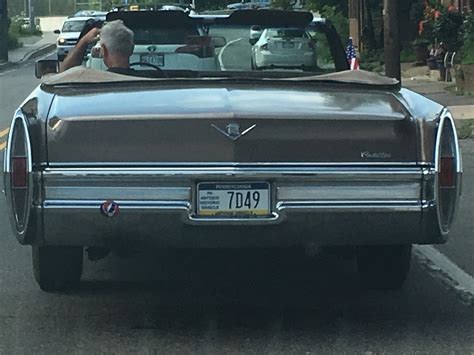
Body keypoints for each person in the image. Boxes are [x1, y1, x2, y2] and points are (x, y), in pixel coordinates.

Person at [61, 19, 155, 77]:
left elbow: (64, 74)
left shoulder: (93, 82)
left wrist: (84, 41)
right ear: (132, 49)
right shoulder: (147, 81)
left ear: (104, 50)